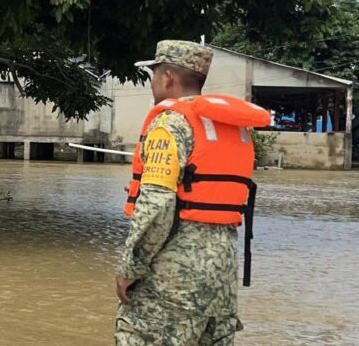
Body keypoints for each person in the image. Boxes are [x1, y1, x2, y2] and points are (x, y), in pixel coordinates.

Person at [115, 40, 271, 346]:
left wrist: (131, 268)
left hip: (172, 281)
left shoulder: (171, 123)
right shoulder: (231, 127)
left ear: (167, 77)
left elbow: (157, 206)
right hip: (221, 280)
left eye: (154, 74)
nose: (152, 82)